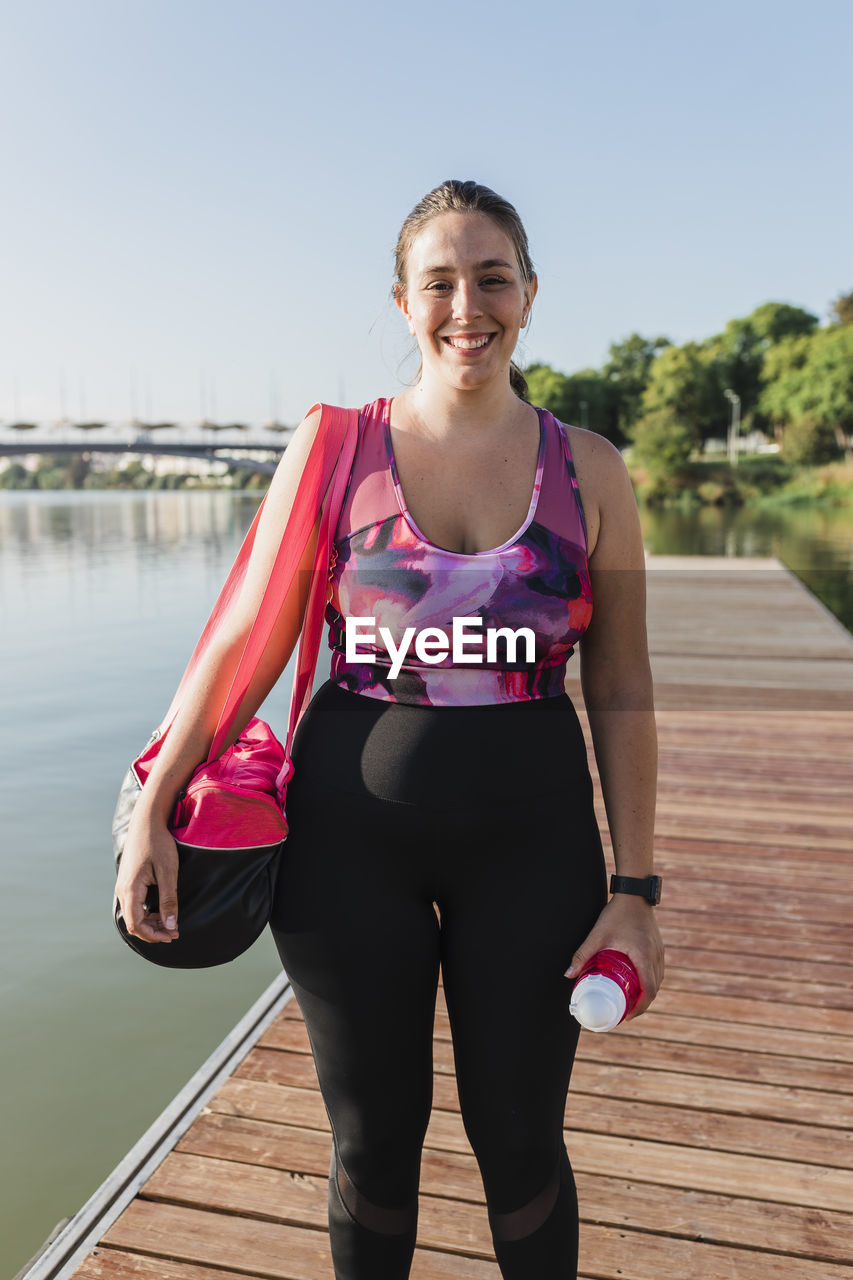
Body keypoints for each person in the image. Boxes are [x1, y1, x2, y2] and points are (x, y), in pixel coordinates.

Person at [115, 178, 664, 1280]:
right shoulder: (333, 448)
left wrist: (638, 889)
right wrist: (155, 804)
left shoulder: (590, 470)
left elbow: (620, 683)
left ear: (530, 293)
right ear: (402, 302)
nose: (469, 304)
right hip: (343, 841)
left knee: (519, 1142)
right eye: (441, 282)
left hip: (535, 843)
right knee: (372, 1144)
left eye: (492, 277)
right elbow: (244, 647)